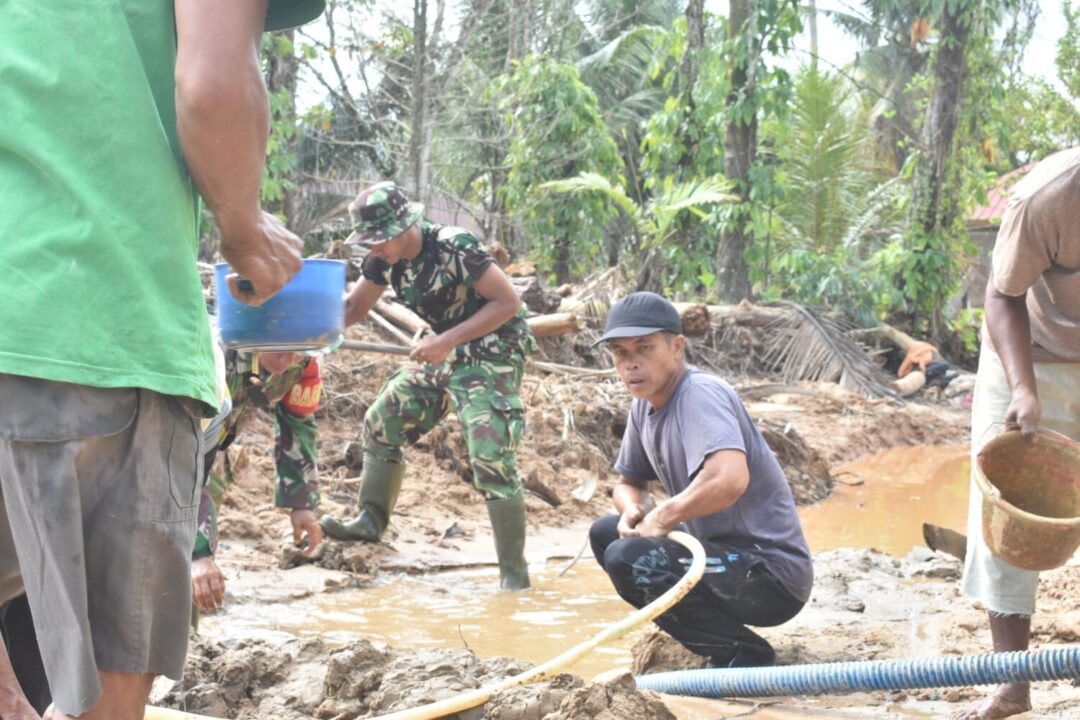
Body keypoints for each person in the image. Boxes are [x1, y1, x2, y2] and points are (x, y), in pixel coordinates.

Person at [0, 1, 324, 718]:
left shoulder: (301, 378)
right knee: (112, 677)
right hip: (102, 321)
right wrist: (244, 228)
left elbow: (292, 446)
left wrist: (301, 512)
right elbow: (212, 85)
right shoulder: (228, 353)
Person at [319, 181, 538, 590]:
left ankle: (514, 574)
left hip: (494, 351)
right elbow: (351, 308)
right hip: (443, 348)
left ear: (406, 226)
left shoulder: (455, 246)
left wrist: (446, 341)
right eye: (367, 241)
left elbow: (508, 302)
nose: (373, 248)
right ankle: (370, 520)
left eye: (378, 239)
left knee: (489, 454)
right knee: (381, 420)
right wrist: (297, 332)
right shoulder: (384, 259)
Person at [588, 292, 813, 668]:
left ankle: (742, 652)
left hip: (768, 575)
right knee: (607, 534)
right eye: (620, 352)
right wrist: (633, 511)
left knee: (630, 557)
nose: (631, 364)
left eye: (644, 348)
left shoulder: (699, 394)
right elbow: (629, 482)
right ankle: (710, 635)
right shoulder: (644, 405)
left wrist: (661, 518)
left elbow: (728, 479)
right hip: (717, 559)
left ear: (677, 347)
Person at [950, 147, 1080, 720]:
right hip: (1031, 350)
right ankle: (1012, 683)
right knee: (1004, 509)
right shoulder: (1047, 197)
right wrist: (1024, 390)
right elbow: (1001, 297)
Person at [192, 350, 325, 614]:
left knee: (204, 559)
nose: (288, 359)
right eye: (281, 347)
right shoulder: (211, 354)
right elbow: (179, 459)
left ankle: (188, 639)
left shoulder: (305, 362)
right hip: (168, 449)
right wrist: (196, 553)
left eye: (300, 350)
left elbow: (297, 424)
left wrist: (301, 503)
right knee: (181, 553)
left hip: (212, 449)